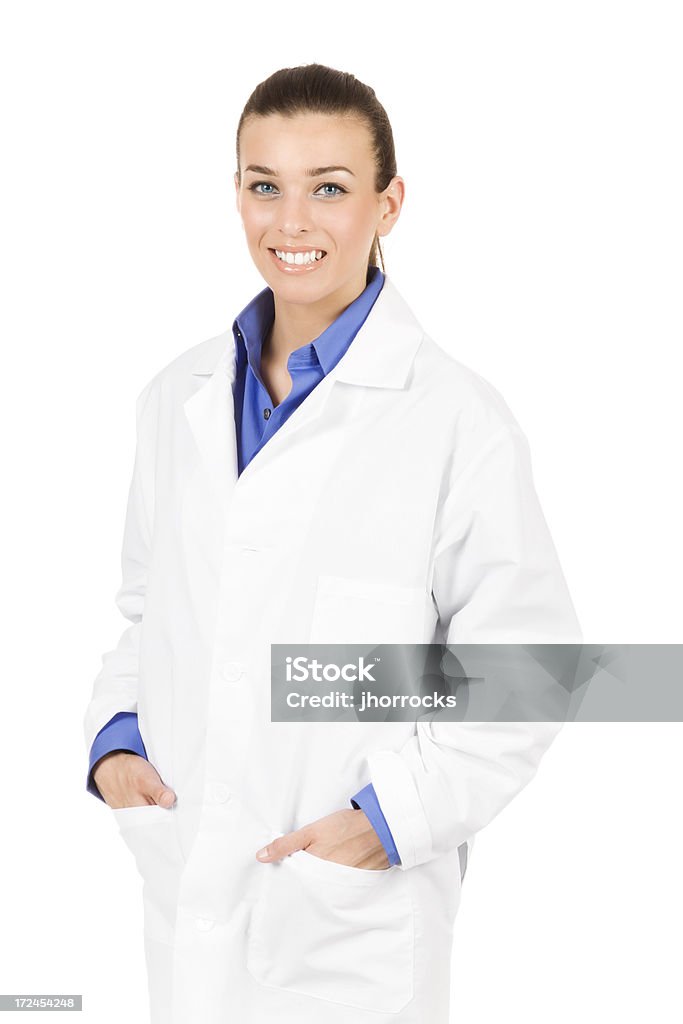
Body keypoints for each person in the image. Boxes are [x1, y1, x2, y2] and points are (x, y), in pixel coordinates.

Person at [83, 63, 581, 1024]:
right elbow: (149, 607)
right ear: (236, 193)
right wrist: (114, 743)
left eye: (330, 188)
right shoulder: (173, 398)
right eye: (264, 185)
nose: (291, 221)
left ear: (388, 204)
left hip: (349, 926)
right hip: (187, 880)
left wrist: (389, 823)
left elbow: (532, 666)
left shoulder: (456, 421)